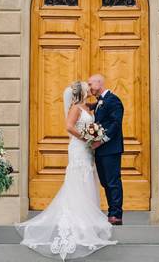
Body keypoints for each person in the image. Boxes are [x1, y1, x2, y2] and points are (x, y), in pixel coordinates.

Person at [17, 80, 116, 259]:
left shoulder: (87, 107)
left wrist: (94, 134)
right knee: (78, 178)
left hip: (87, 150)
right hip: (79, 148)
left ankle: (88, 214)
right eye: (86, 86)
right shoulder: (76, 108)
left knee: (87, 179)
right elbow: (69, 127)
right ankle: (77, 215)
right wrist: (86, 138)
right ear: (82, 92)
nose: (89, 87)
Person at [88, 74, 124, 225]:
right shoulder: (100, 102)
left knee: (112, 181)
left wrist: (100, 141)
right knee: (105, 182)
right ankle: (111, 211)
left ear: (99, 83)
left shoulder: (113, 100)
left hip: (111, 149)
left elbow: (116, 124)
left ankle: (116, 214)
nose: (89, 88)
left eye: (90, 84)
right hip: (100, 150)